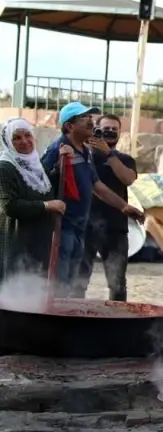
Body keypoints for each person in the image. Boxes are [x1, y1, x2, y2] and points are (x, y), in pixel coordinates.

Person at [41, 102, 142, 297]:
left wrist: (125, 207)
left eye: (91, 117)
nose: (91, 122)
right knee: (61, 282)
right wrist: (56, 171)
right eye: (84, 118)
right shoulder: (57, 149)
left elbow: (97, 186)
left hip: (81, 225)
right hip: (64, 226)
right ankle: (55, 322)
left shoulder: (84, 152)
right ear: (70, 126)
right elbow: (41, 183)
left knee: (72, 280)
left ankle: (70, 320)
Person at [79, 114, 138, 301]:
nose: (111, 132)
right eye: (106, 129)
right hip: (85, 226)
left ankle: (117, 323)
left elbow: (128, 179)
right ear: (96, 130)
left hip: (115, 228)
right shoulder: (84, 156)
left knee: (117, 283)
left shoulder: (125, 159)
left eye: (115, 129)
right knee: (78, 281)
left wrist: (109, 154)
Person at [0, 118, 64, 282]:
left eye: (27, 135)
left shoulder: (37, 165)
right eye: (17, 138)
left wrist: (60, 168)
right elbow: (10, 206)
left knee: (35, 290)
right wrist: (46, 206)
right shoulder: (5, 168)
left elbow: (45, 191)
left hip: (39, 241)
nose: (24, 141)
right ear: (8, 142)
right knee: (15, 290)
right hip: (17, 241)